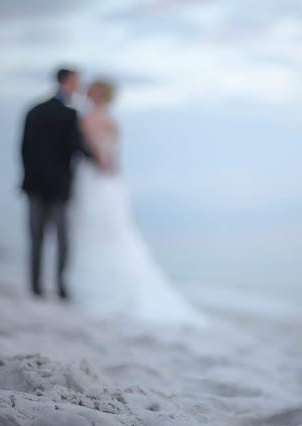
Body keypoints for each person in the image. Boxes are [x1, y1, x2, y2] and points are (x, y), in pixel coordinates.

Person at [67, 80, 207, 327]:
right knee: (111, 233)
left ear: (97, 93)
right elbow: (113, 154)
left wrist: (100, 166)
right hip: (111, 181)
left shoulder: (90, 117)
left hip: (96, 178)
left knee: (96, 232)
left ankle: (98, 289)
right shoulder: (110, 119)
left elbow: (100, 153)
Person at [20, 67, 91, 299]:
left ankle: (35, 286)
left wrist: (28, 176)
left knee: (36, 238)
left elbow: (23, 149)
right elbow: (77, 148)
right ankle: (61, 286)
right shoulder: (70, 115)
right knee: (62, 239)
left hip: (35, 184)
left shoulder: (34, 110)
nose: (78, 86)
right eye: (76, 82)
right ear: (67, 82)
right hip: (59, 187)